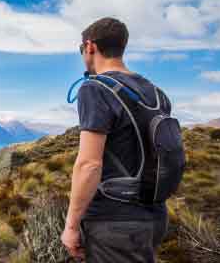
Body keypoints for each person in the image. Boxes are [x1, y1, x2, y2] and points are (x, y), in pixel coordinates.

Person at [61, 17, 170, 262]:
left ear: (90, 46)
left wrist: (70, 226)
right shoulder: (155, 93)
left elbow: (89, 164)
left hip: (114, 220)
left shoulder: (95, 89)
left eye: (81, 50)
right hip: (155, 216)